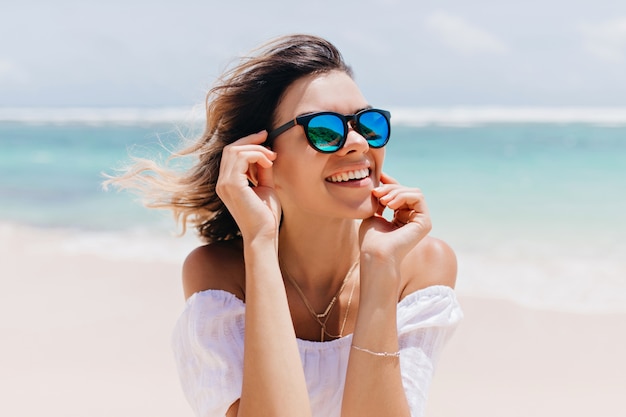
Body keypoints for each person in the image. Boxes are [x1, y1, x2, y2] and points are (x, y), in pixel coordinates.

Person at [108, 34, 462, 417]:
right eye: (324, 131)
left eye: (369, 123)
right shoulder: (223, 275)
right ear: (262, 159)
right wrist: (259, 241)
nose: (358, 142)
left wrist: (380, 267)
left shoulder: (421, 266)